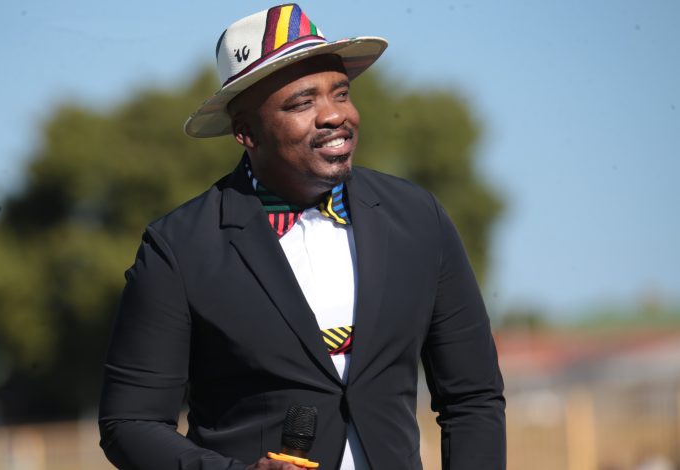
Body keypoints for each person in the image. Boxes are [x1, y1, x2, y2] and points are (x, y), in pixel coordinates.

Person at [98, 4, 506, 469]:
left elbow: (473, 397)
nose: (334, 116)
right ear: (246, 132)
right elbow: (129, 422)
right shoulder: (179, 248)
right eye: (302, 103)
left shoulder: (417, 217)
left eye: (341, 94)